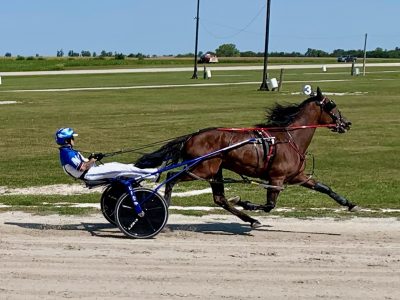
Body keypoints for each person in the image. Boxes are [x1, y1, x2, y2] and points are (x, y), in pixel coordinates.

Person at [55, 127, 158, 182]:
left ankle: (148, 172)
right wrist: (93, 159)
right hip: (90, 175)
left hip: (92, 171)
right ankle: (153, 174)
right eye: (72, 138)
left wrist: (91, 158)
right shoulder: (67, 154)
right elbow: (82, 167)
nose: (74, 139)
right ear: (67, 140)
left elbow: (84, 162)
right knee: (121, 170)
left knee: (119, 166)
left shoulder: (68, 151)